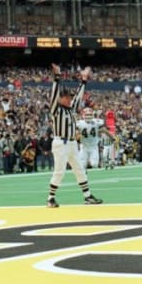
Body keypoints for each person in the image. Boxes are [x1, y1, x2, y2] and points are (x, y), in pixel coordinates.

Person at [46, 64, 102, 208]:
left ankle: (88, 196)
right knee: (60, 171)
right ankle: (50, 198)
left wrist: (83, 80)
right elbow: (53, 96)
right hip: (61, 143)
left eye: (69, 98)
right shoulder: (56, 110)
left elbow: (78, 96)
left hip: (72, 144)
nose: (70, 100)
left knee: (79, 169)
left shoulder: (70, 109)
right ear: (61, 98)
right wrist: (57, 78)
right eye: (67, 97)